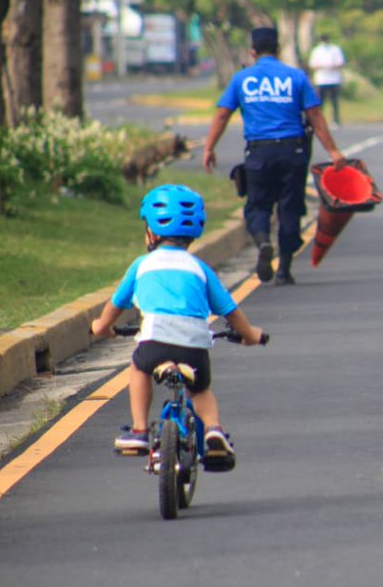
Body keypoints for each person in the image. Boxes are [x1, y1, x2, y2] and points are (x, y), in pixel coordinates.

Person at [90, 185, 266, 471]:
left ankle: (138, 431)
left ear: (152, 232)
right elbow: (229, 311)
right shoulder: (199, 268)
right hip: (194, 344)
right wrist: (250, 335)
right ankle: (213, 430)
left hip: (155, 342)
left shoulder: (142, 265)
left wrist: (101, 327)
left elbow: (115, 305)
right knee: (200, 390)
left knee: (139, 369)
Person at [204, 27, 346, 286]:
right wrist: (334, 151)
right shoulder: (296, 77)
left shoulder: (242, 79)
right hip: (293, 151)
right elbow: (315, 116)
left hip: (259, 152)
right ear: (279, 50)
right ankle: (284, 270)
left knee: (258, 205)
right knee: (290, 207)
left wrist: (209, 147)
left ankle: (263, 243)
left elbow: (223, 114)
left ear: (252, 51)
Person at [308, 34, 345, 126]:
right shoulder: (317, 50)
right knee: (320, 102)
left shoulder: (335, 49)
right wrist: (322, 66)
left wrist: (332, 66)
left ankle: (336, 120)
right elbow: (312, 64)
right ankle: (319, 121)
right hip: (321, 80)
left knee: (334, 101)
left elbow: (340, 62)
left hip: (334, 79)